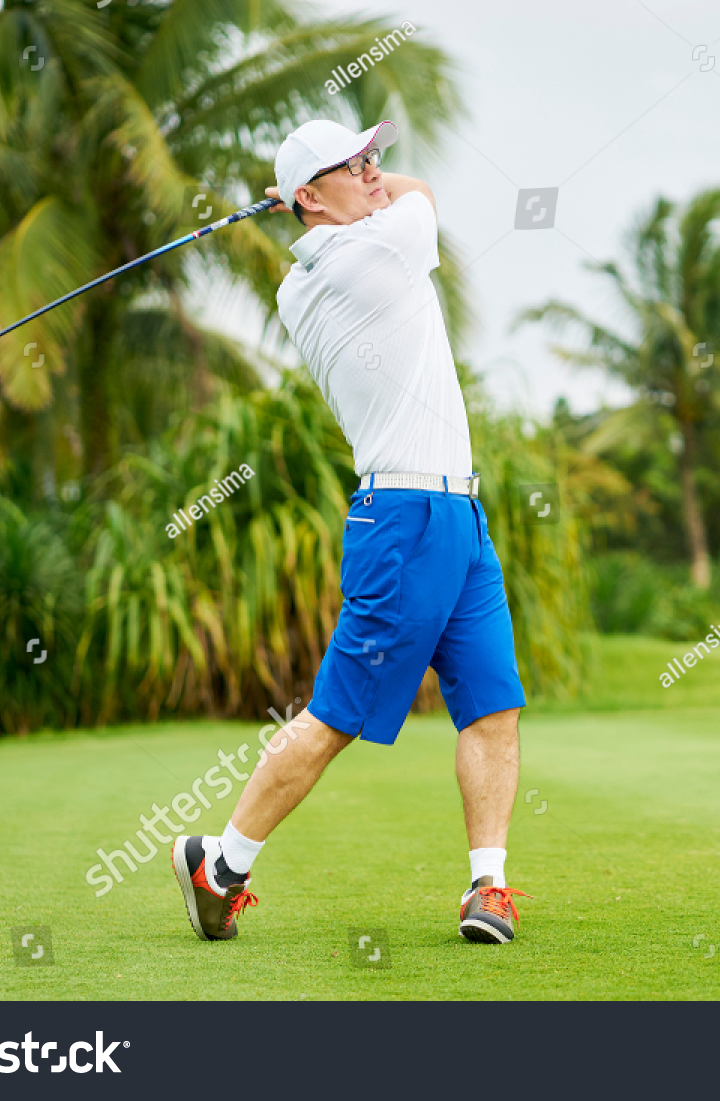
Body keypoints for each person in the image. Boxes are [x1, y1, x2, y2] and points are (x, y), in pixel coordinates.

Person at [171, 119, 530, 945]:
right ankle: (221, 865)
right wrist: (318, 195)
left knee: (492, 709)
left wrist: (316, 193)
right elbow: (423, 195)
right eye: (353, 164)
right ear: (307, 194)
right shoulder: (383, 250)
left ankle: (489, 886)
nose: (376, 172)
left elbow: (376, 199)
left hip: (456, 517)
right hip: (405, 519)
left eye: (373, 157)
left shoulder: (302, 281)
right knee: (336, 715)